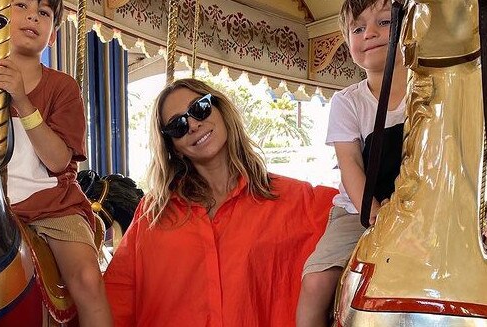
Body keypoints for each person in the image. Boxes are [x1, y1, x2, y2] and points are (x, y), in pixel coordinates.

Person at [103, 78, 338, 326]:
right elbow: (117, 298)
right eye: (177, 126)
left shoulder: (296, 199)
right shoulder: (152, 214)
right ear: (173, 146)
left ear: (220, 109)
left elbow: (366, 221)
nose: (193, 124)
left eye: (199, 108)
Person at [0, 0, 112, 325]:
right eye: (21, 5)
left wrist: (21, 99)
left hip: (53, 208)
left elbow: (58, 161)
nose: (32, 15)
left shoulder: (62, 87)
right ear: (1, 16)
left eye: (44, 13)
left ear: (53, 36)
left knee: (87, 279)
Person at [296, 0, 408, 326]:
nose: (369, 33)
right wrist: (374, 215)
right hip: (357, 210)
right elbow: (350, 166)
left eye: (385, 22)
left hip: (419, 203)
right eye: (358, 28)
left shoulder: (429, 89)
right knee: (316, 282)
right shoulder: (348, 102)